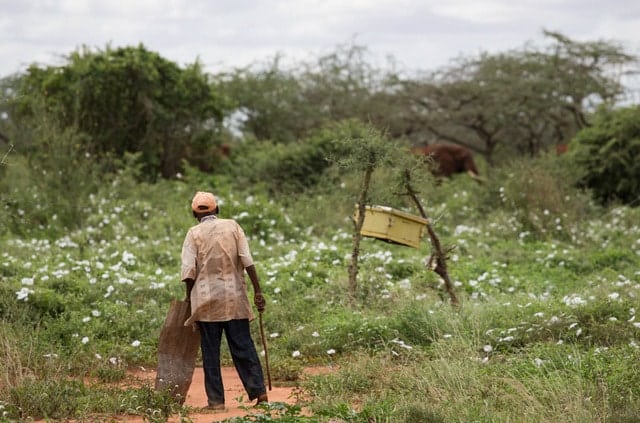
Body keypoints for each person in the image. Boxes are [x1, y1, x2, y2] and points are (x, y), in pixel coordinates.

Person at [181, 191, 268, 411]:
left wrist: (188, 300)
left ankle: (216, 402)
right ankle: (259, 392)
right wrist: (257, 291)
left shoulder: (193, 234)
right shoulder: (233, 226)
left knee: (210, 352)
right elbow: (247, 261)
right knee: (243, 345)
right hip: (234, 298)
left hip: (205, 302)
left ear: (194, 214)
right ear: (217, 210)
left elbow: (189, 271)